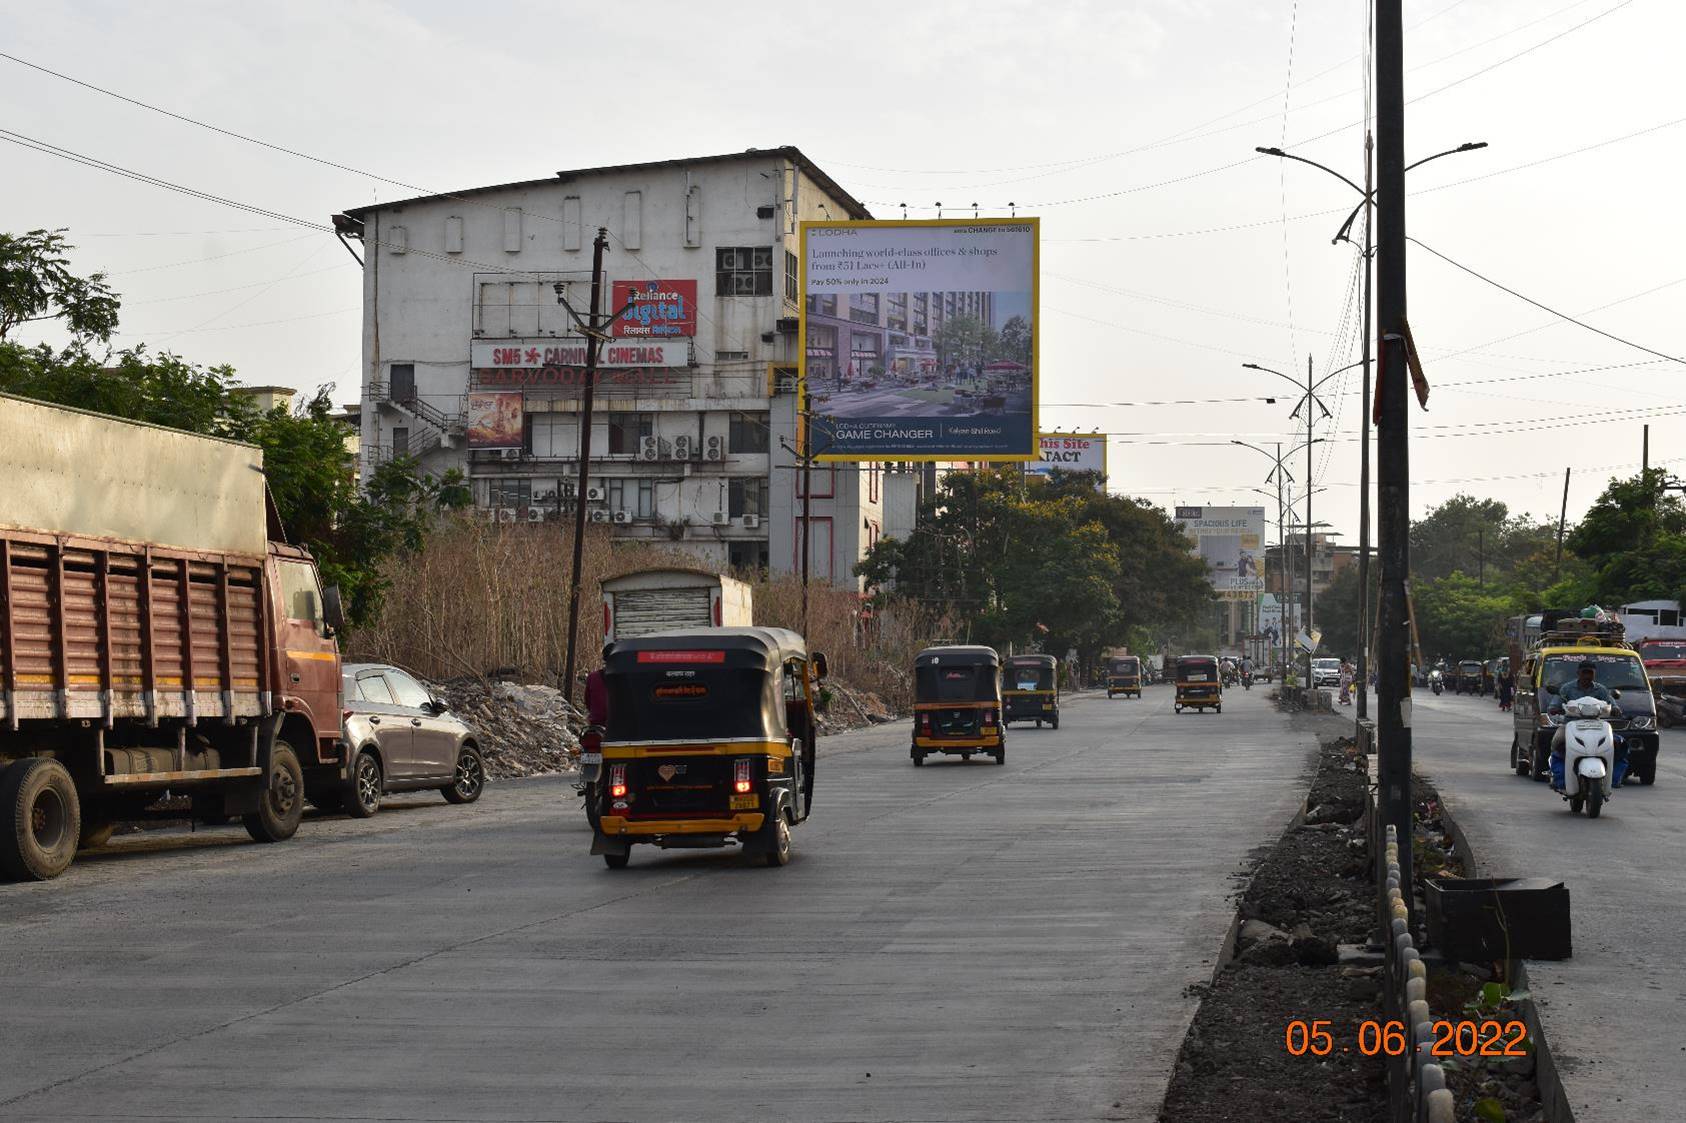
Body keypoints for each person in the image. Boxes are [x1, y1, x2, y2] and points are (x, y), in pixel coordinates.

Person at [1549, 660, 1621, 781]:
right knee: (1557, 742)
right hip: (1571, 725)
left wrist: (1615, 709)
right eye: (1584, 672)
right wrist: (1555, 709)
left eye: (1590, 673)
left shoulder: (1601, 690)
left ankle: (1615, 777)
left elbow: (1611, 703)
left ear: (1594, 674)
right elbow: (1554, 704)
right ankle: (1557, 777)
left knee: (1618, 743)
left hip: (1597, 726)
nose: (1587, 676)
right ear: (1578, 673)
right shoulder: (1567, 689)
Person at [585, 643, 612, 728]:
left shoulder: (592, 677)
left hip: (596, 724)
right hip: (618, 725)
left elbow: (588, 701)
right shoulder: (623, 679)